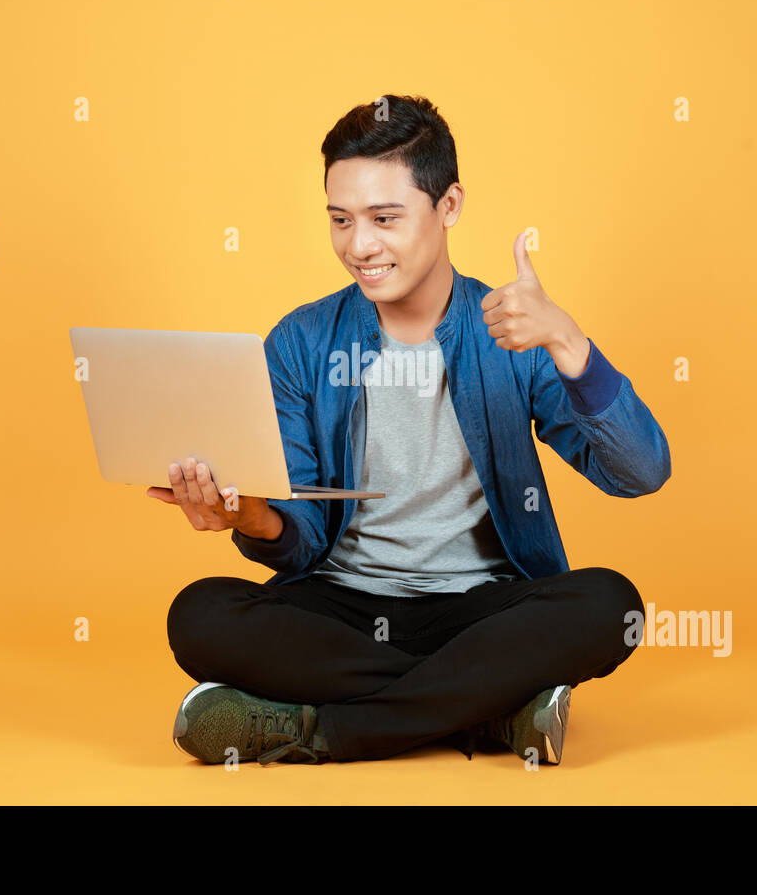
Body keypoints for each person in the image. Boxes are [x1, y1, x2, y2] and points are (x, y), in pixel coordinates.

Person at [151, 94, 671, 766]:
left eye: (384, 218)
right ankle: (491, 708)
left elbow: (641, 471)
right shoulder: (303, 341)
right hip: (342, 610)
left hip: (480, 612)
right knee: (198, 614)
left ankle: (320, 730)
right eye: (340, 220)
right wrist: (247, 515)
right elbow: (300, 540)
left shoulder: (511, 333)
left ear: (448, 206)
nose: (358, 246)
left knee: (610, 604)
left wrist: (569, 342)